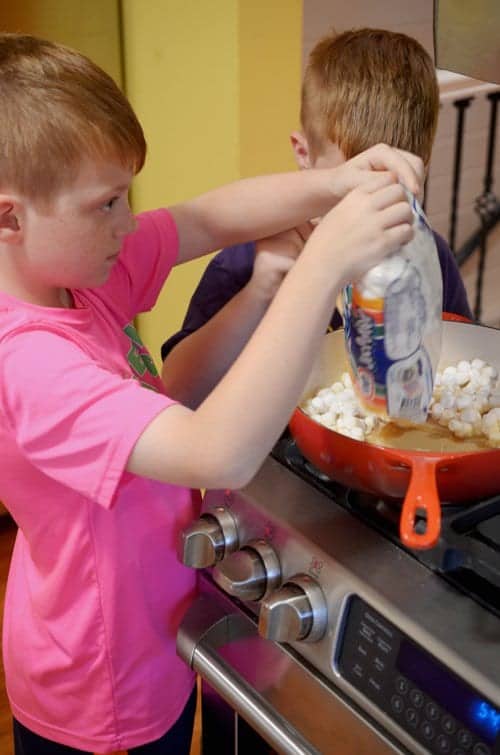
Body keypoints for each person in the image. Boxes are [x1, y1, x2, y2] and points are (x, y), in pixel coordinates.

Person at [0, 32, 422, 755]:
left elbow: (206, 216)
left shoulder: (76, 280)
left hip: (150, 642)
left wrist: (338, 182)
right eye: (105, 203)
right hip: (101, 691)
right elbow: (216, 451)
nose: (128, 221)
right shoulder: (27, 363)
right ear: (8, 216)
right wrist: (322, 264)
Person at [161, 28, 472, 408]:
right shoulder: (247, 263)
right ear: (304, 154)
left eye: (396, 189)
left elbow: (460, 368)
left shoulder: (432, 260)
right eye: (355, 187)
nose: (373, 212)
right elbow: (174, 392)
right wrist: (261, 289)